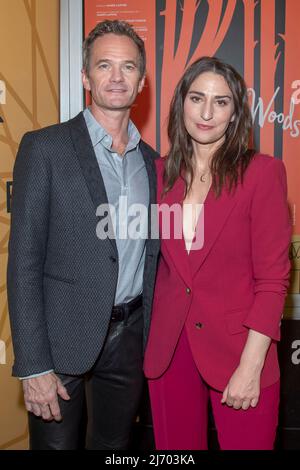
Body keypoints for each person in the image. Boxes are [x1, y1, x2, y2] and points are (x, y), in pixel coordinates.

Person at [7, 19, 159, 450]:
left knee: (114, 448)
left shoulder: (154, 163)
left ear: (142, 81)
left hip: (129, 339)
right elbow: (24, 263)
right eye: (104, 65)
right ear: (85, 76)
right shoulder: (45, 148)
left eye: (128, 67)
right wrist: (33, 365)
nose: (116, 77)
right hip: (58, 341)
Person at [144, 56, 291, 450]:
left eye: (221, 102)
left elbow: (273, 279)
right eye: (197, 98)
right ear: (181, 104)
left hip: (240, 350)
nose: (207, 112)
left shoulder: (261, 174)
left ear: (235, 113)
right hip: (169, 351)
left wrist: (251, 365)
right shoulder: (158, 174)